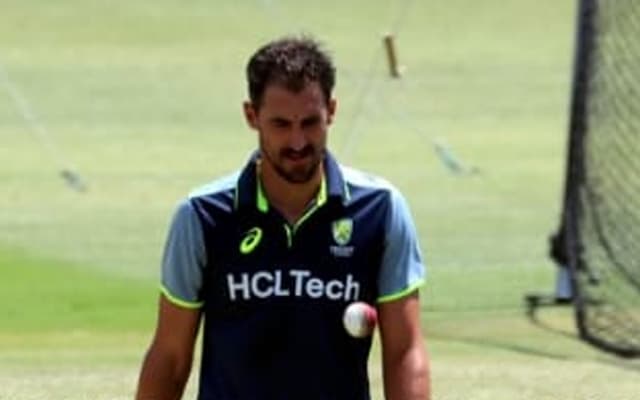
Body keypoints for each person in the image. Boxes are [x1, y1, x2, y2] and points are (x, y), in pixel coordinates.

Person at [135, 36, 430, 400]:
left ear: (332, 111)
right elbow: (170, 356)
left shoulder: (380, 210)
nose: (297, 142)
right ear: (251, 116)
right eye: (280, 124)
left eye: (310, 122)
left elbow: (405, 351)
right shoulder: (202, 216)